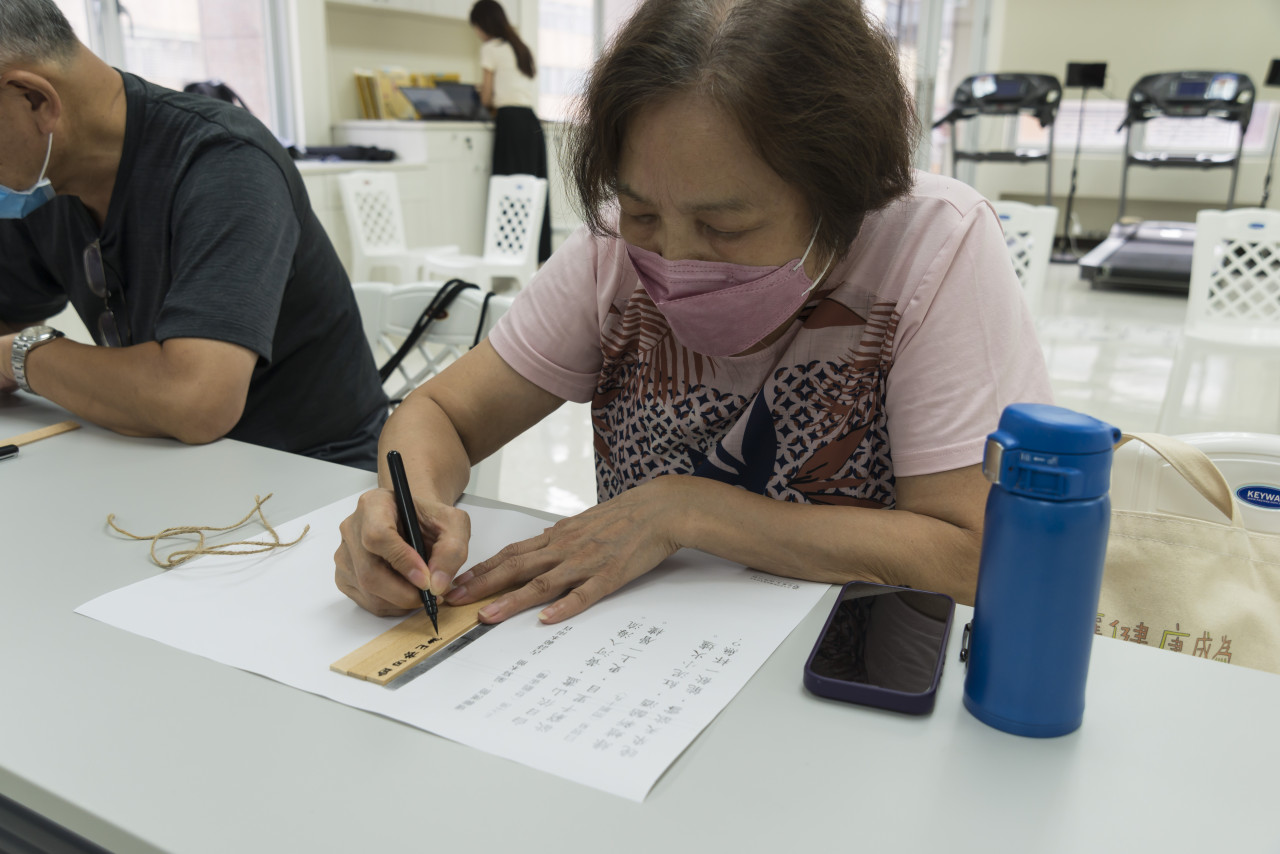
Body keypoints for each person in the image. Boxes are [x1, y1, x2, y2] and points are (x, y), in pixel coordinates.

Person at [334, 0, 1054, 623]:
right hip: (645, 660)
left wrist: (689, 510)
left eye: (725, 229)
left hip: (850, 671)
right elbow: (440, 416)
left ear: (842, 195)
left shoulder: (931, 247)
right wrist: (409, 508)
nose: (671, 261)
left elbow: (975, 554)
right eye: (643, 212)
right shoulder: (610, 249)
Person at [0, 0, 389, 471]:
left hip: (313, 473)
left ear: (35, 100)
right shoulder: (45, 180)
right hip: (172, 461)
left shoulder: (225, 163)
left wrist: (22, 355)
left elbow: (195, 399)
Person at [469, 0, 552, 264]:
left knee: (507, 188)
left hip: (510, 122)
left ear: (483, 25)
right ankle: (535, 256)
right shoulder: (520, 48)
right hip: (530, 122)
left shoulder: (490, 49)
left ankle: (507, 256)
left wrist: (481, 94)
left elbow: (486, 98)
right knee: (532, 190)